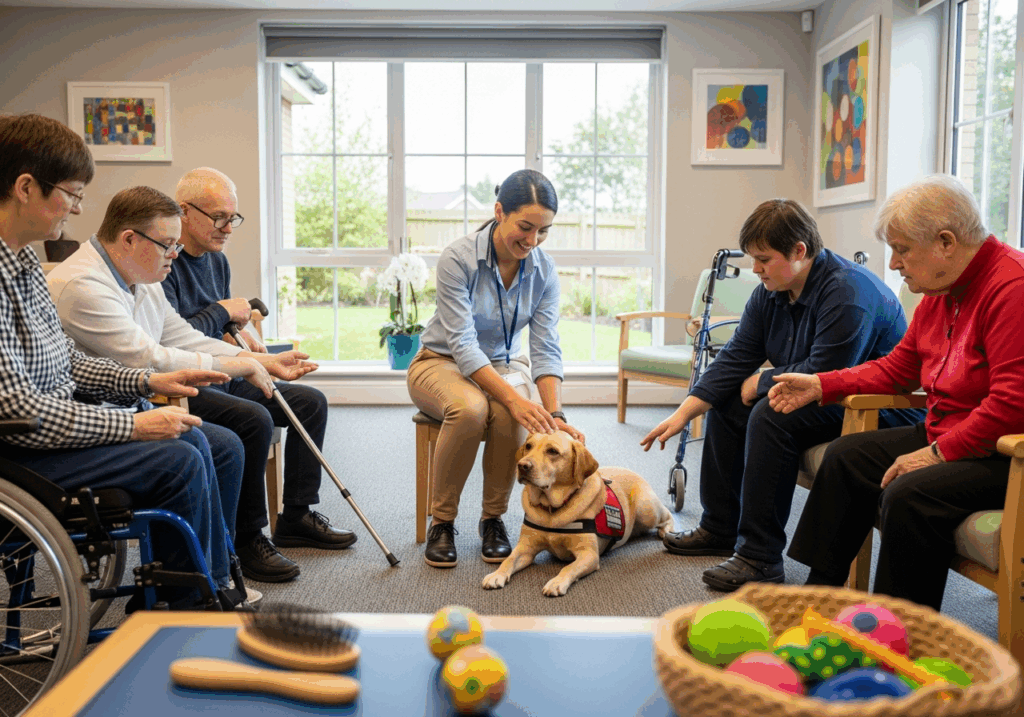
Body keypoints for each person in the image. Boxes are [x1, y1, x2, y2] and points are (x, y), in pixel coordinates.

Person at [0, 113, 245, 610]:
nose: (77, 207)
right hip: (21, 456)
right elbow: (17, 410)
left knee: (192, 438)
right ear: (26, 188)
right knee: (178, 458)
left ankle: (204, 589)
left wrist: (148, 380)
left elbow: (67, 360)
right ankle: (189, 605)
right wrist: (132, 426)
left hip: (48, 435)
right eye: (71, 193)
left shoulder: (24, 264)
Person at [769, 175, 1024, 611]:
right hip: (952, 435)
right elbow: (897, 369)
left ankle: (900, 628)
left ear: (946, 242)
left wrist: (937, 454)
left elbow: (1012, 404)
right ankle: (820, 596)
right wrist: (823, 384)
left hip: (1004, 454)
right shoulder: (942, 290)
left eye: (902, 249)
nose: (894, 263)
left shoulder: (1012, 288)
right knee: (846, 457)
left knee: (909, 493)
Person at [640, 198, 923, 592]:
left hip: (878, 406)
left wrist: (761, 382)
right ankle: (720, 527)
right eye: (752, 259)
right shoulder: (771, 290)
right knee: (729, 402)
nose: (755, 269)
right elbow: (737, 355)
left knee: (770, 414)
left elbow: (827, 371)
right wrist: (684, 412)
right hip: (821, 396)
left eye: (763, 259)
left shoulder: (848, 291)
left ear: (799, 251)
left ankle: (760, 557)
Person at [47, 185, 320, 584]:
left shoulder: (141, 275)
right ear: (129, 239)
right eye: (168, 245)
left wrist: (259, 360)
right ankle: (203, 578)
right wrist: (240, 366)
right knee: (221, 443)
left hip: (135, 396)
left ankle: (217, 571)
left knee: (223, 444)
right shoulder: (83, 285)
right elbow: (150, 357)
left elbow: (181, 337)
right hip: (105, 410)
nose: (176, 254)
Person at [163, 167, 356, 583]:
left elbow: (217, 330)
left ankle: (296, 516)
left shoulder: (217, 260)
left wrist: (244, 339)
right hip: (186, 382)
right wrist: (222, 312)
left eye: (232, 217)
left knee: (310, 402)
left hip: (226, 371)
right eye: (218, 217)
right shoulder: (165, 261)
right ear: (184, 212)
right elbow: (173, 340)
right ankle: (248, 537)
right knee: (255, 419)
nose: (227, 228)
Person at [407, 168, 586, 569]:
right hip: (440, 361)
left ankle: (493, 519)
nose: (532, 240)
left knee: (511, 414)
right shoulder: (458, 258)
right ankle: (442, 522)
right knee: (471, 409)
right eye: (525, 227)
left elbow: (545, 347)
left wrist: (555, 416)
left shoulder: (544, 271)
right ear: (500, 211)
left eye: (543, 231)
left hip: (504, 365)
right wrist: (514, 398)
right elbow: (463, 344)